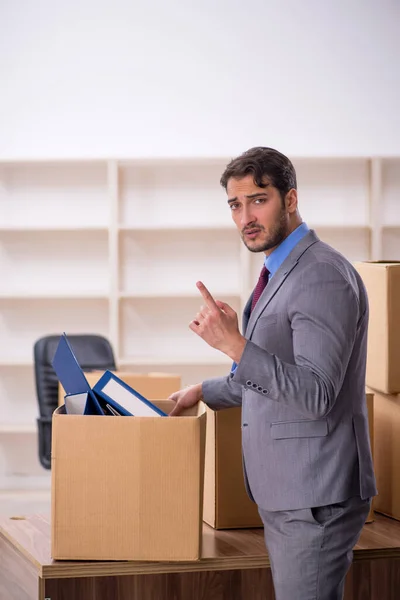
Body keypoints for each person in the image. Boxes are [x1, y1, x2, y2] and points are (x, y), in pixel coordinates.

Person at [169, 146, 377, 600]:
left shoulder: (320, 274)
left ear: (291, 199)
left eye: (258, 199)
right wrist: (203, 390)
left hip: (315, 494)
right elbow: (274, 379)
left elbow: (316, 392)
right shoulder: (280, 271)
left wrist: (234, 345)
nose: (246, 216)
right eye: (235, 204)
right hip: (291, 490)